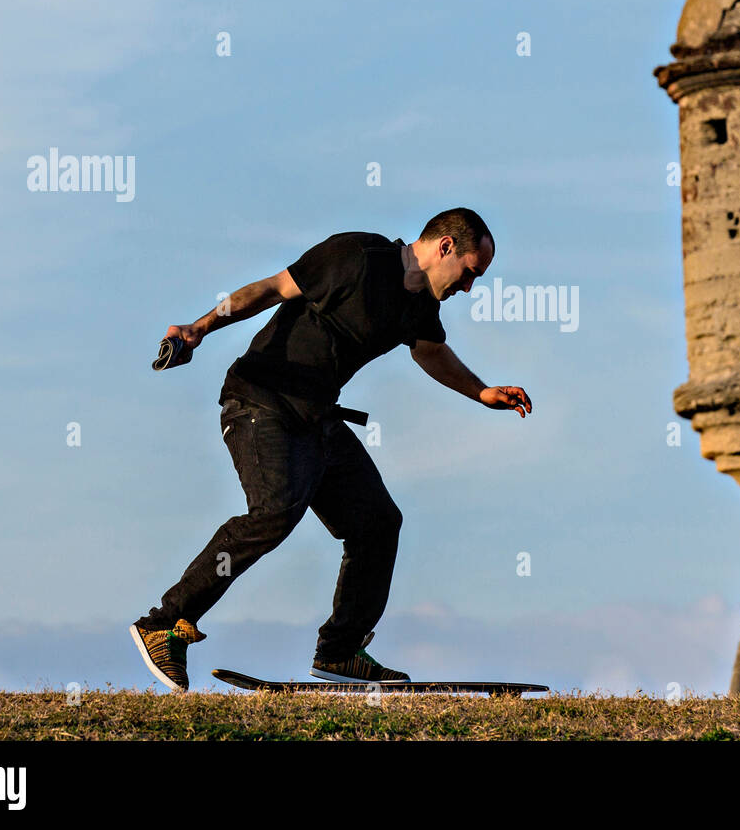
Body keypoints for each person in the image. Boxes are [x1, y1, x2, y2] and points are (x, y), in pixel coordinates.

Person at [130, 207, 531, 690]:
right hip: (260, 400)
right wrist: (200, 328)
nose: (469, 288)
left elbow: (430, 350)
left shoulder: (420, 306)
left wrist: (482, 392)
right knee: (275, 511)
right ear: (445, 246)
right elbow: (271, 289)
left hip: (316, 417)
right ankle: (163, 624)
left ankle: (340, 653)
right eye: (470, 273)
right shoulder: (357, 256)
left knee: (378, 523)